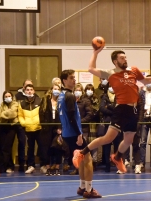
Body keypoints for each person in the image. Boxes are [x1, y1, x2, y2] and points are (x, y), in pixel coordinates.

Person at [72, 49, 151, 175]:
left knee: (129, 140)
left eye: (125, 57)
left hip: (133, 110)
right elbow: (91, 69)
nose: (125, 59)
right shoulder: (110, 73)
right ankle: (81, 153)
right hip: (121, 109)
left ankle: (117, 157)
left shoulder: (133, 70)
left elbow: (145, 81)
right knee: (108, 138)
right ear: (115, 61)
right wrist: (96, 53)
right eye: (122, 58)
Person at [58, 69, 102, 198]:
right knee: (87, 159)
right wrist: (79, 134)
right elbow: (71, 116)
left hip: (67, 132)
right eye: (71, 78)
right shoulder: (69, 96)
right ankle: (89, 189)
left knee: (82, 158)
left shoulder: (61, 95)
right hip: (73, 133)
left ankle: (82, 187)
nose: (74, 80)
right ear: (64, 80)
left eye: (74, 78)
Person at [18, 84, 44, 174]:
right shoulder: (21, 104)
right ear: (24, 92)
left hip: (39, 128)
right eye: (27, 90)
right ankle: (31, 165)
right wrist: (24, 123)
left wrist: (41, 122)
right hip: (28, 129)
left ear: (34, 91)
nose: (29, 91)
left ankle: (43, 165)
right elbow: (20, 116)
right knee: (30, 148)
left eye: (31, 90)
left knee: (42, 147)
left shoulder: (40, 101)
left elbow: (43, 113)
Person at [39, 84, 63, 176]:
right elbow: (41, 113)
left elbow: (62, 116)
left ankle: (57, 167)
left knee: (58, 148)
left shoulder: (61, 102)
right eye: (55, 89)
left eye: (58, 89)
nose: (56, 90)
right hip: (46, 128)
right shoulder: (45, 101)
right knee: (46, 148)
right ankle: (48, 167)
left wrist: (60, 128)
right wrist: (43, 126)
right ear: (51, 90)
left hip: (57, 128)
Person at [138, 76, 151, 171]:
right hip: (144, 119)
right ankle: (141, 162)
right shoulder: (141, 92)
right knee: (142, 142)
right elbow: (139, 105)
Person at [0, 91, 19, 173]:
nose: (7, 97)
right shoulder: (2, 105)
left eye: (9, 96)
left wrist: (3, 114)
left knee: (7, 147)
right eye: (6, 96)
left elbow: (12, 114)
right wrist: (6, 114)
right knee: (2, 147)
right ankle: (9, 166)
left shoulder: (15, 104)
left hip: (12, 127)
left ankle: (5, 167)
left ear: (12, 97)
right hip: (3, 127)